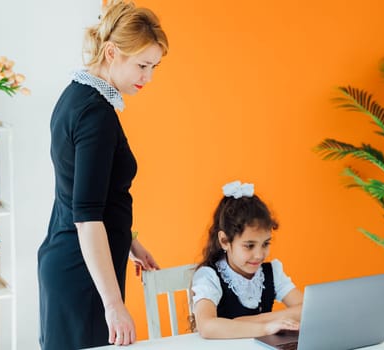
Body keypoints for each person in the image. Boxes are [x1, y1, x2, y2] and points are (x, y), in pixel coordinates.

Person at [37, 1, 168, 349]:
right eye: (142, 65)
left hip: (70, 262)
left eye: (154, 67)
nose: (148, 77)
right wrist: (114, 305)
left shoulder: (75, 97)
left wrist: (129, 239)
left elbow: (88, 194)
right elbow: (87, 217)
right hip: (84, 276)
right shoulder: (96, 114)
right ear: (112, 52)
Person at [191, 180, 303, 339]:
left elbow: (306, 310)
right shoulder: (209, 276)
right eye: (249, 246)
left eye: (265, 244)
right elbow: (207, 326)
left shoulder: (271, 273)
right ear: (224, 241)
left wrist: (244, 321)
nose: (259, 255)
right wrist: (266, 327)